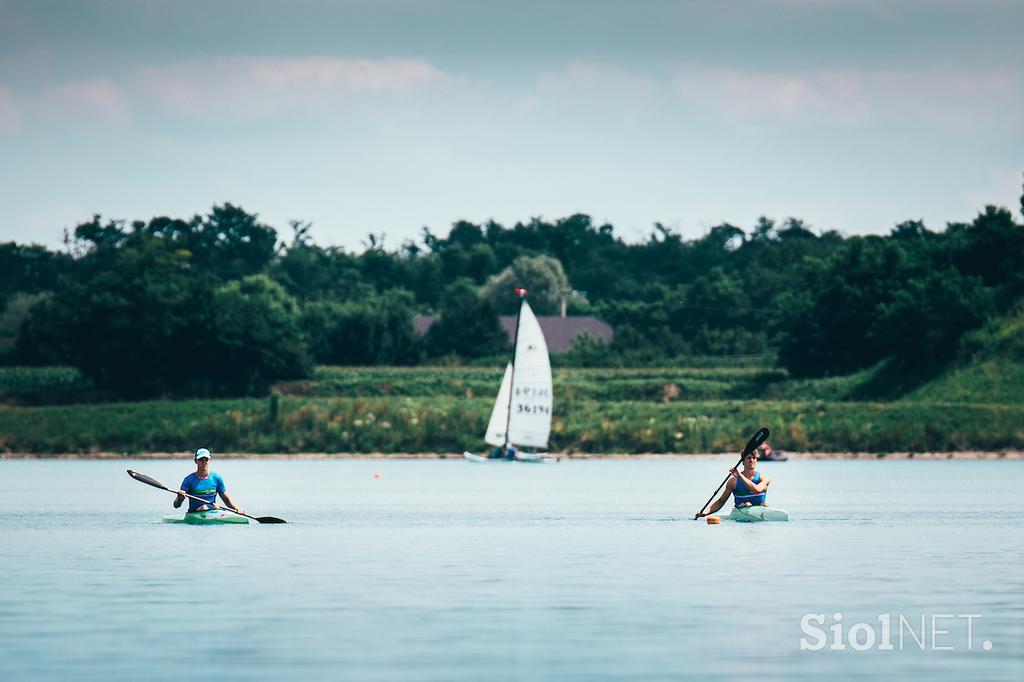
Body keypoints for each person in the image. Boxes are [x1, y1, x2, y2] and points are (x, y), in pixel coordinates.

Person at [696, 449, 772, 517]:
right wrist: (705, 512)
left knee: (763, 504)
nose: (752, 460)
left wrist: (740, 476)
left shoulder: (764, 478)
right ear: (742, 461)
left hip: (760, 510)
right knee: (747, 504)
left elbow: (757, 490)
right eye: (748, 458)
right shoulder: (733, 482)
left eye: (754, 458)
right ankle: (745, 506)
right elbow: (721, 501)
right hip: (741, 512)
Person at [174, 448, 244, 514]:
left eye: (206, 460)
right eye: (201, 460)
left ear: (210, 460)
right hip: (195, 512)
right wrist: (180, 498)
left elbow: (226, 500)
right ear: (196, 461)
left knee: (216, 507)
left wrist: (236, 508)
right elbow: (176, 505)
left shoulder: (216, 478)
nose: (204, 462)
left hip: (213, 510)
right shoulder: (188, 480)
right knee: (204, 508)